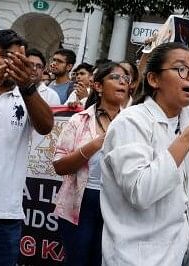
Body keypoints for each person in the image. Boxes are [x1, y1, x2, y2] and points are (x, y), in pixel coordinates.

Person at [100, 1, 189, 264]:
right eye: (180, 69)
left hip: (178, 253)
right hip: (135, 258)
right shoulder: (131, 122)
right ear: (153, 79)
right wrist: (187, 140)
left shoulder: (187, 114)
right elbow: (141, 192)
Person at [0, 29, 53, 265]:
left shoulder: (28, 97)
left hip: (4, 216)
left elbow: (46, 126)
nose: (17, 63)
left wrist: (28, 88)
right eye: (8, 56)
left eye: (22, 58)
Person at [52, 62, 129, 266]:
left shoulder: (134, 123)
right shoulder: (79, 120)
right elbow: (59, 166)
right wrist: (94, 145)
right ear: (98, 86)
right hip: (80, 204)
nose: (122, 82)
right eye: (115, 77)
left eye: (126, 79)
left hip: (117, 206)